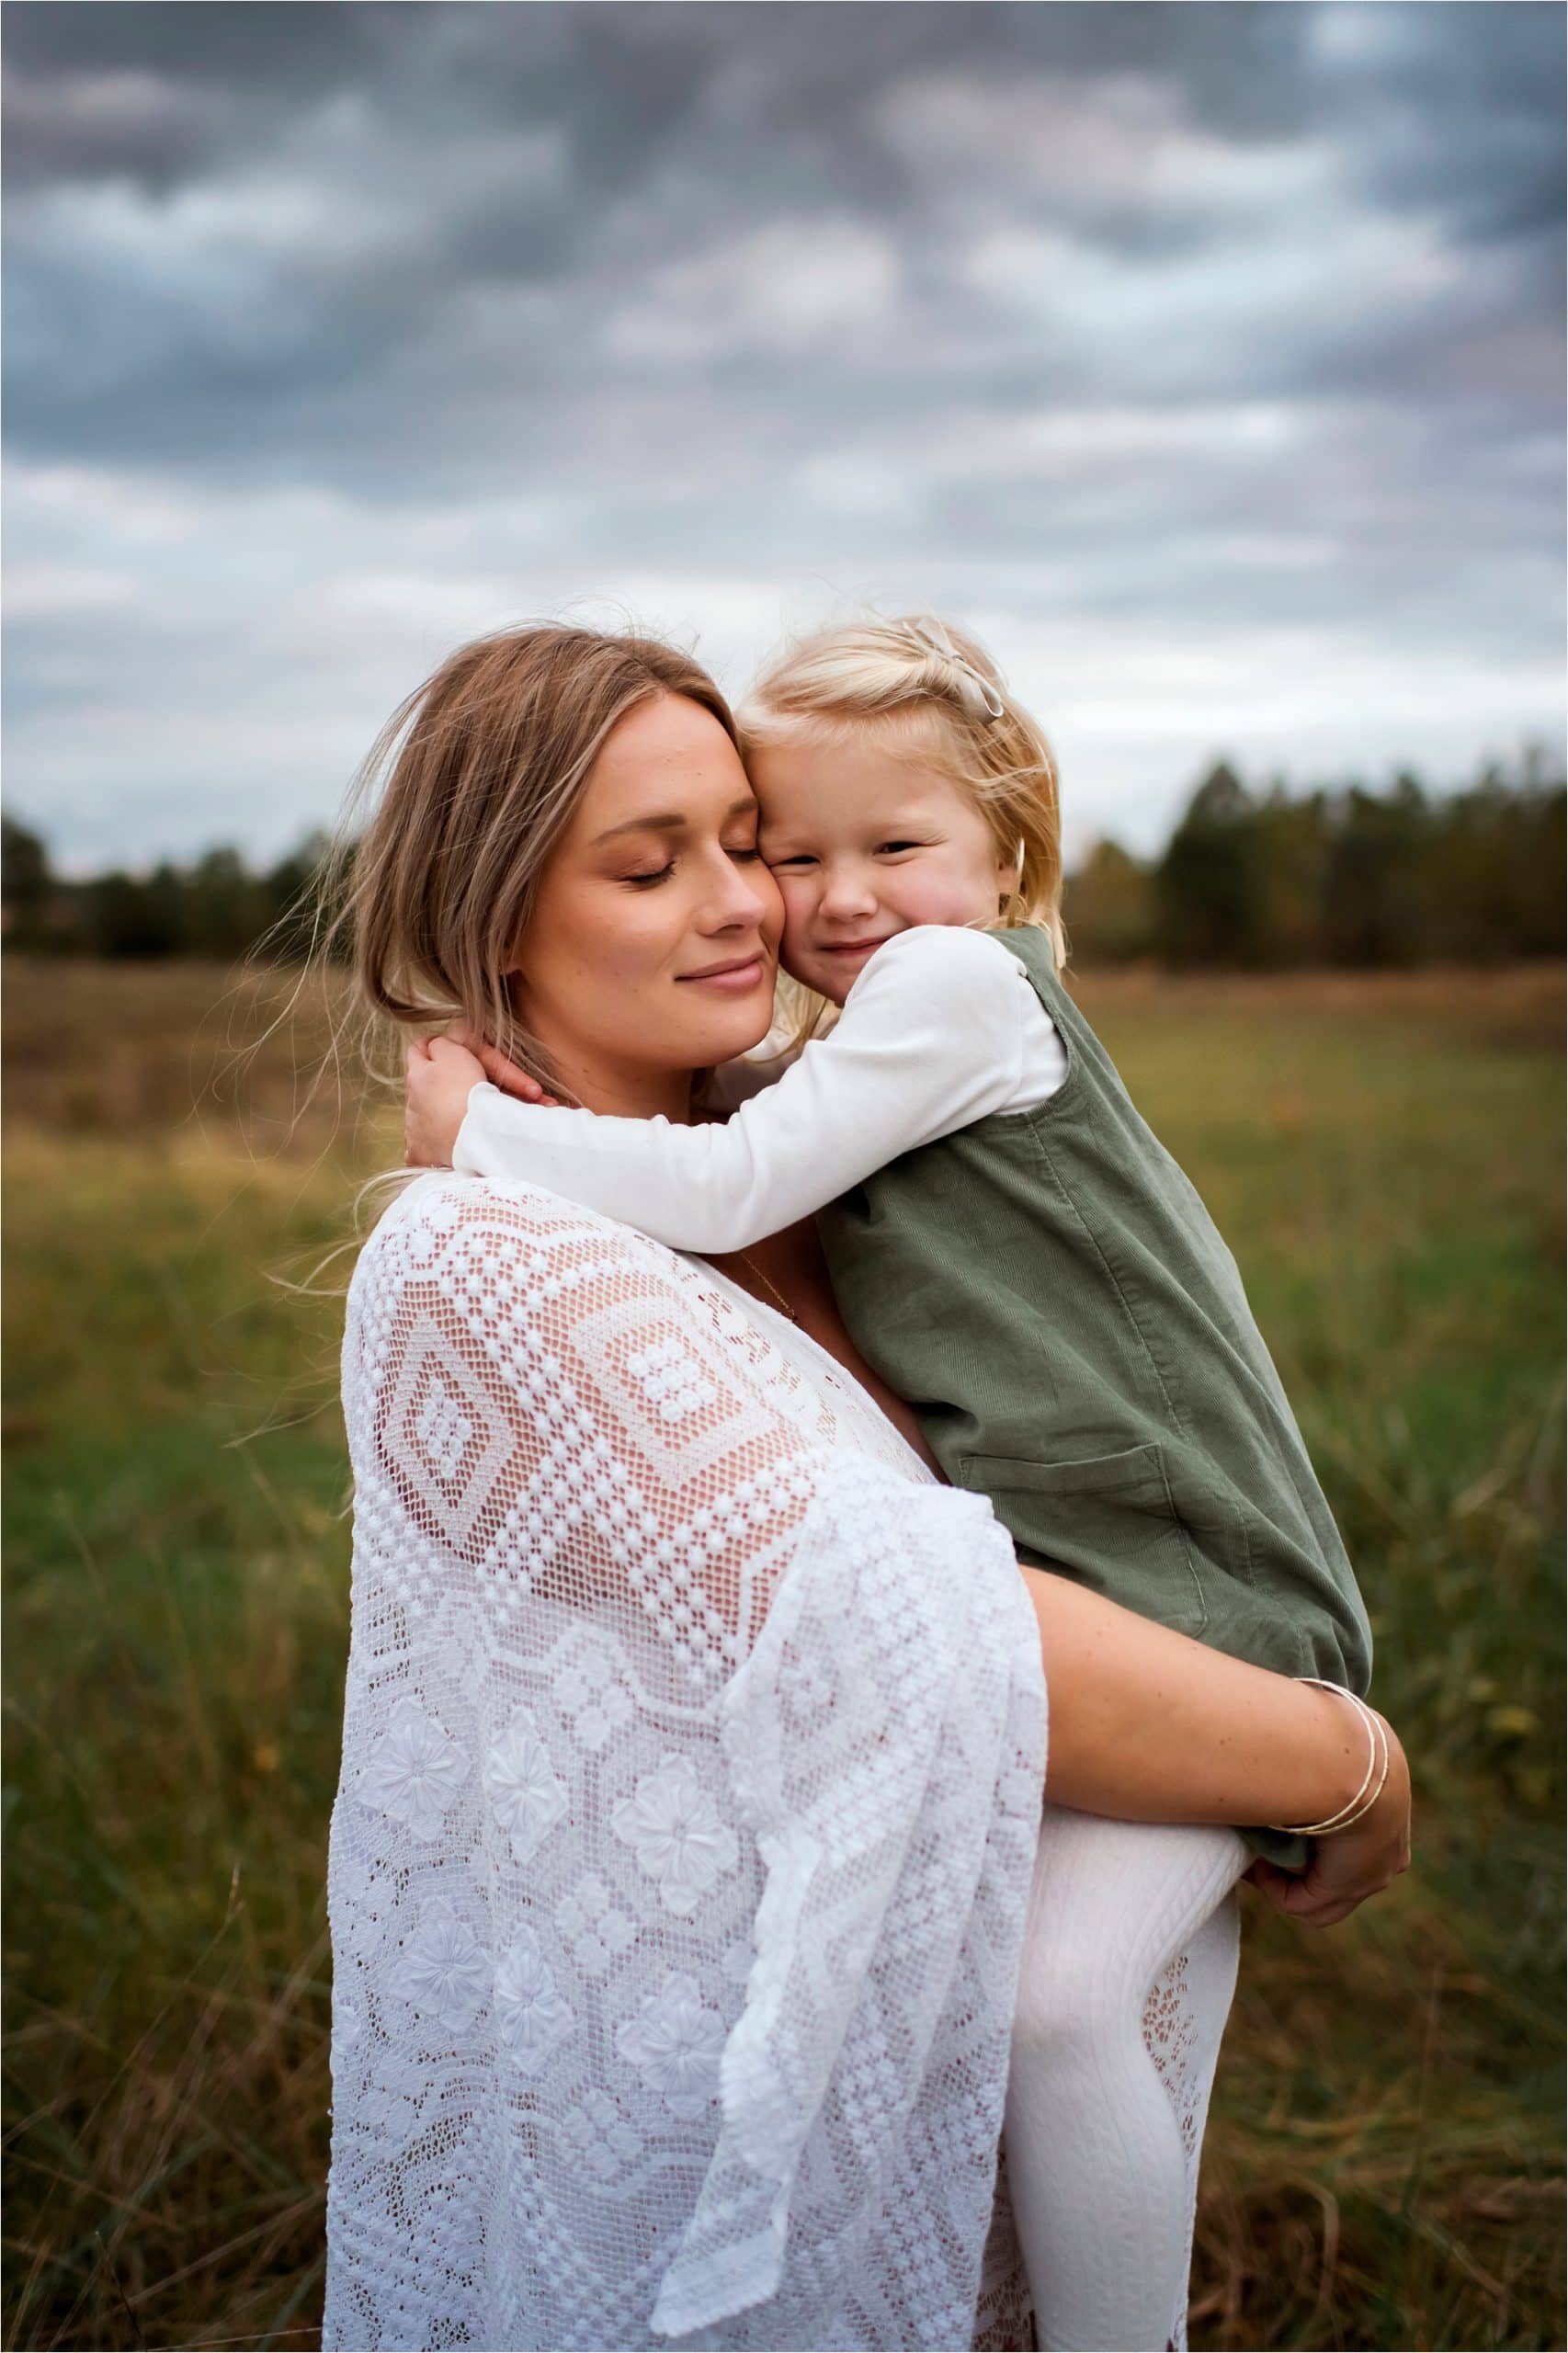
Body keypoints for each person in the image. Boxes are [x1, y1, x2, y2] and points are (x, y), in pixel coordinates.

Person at [324, 623, 1410, 2353]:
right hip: (759, 2151)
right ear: (492, 911)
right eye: (647, 862)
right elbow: (937, 1627)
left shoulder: (803, 1158)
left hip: (1002, 2075)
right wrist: (1346, 1767)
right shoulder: (497, 1259)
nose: (759, 902)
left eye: (743, 840)